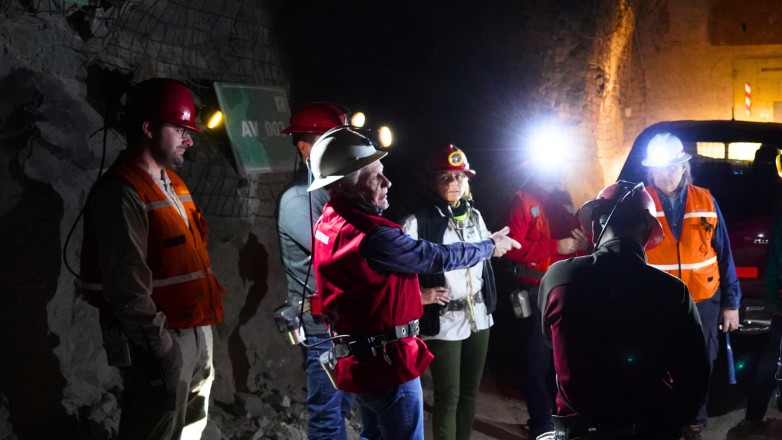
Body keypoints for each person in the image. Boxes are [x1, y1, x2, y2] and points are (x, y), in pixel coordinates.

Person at [308, 127, 520, 440]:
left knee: (375, 433)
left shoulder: (330, 220)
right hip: (388, 362)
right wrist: (488, 246)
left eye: (460, 176)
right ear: (345, 183)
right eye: (374, 175)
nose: (387, 182)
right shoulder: (374, 235)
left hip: (366, 357)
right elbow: (434, 257)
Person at [79, 78, 224, 439]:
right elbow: (126, 287)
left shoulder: (174, 183)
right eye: (180, 130)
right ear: (148, 129)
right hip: (161, 341)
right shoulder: (121, 192)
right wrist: (164, 350)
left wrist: (200, 338)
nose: (189, 140)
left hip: (194, 330)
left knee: (190, 427)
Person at [537, 180, 711, 440]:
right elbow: (696, 374)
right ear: (646, 232)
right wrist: (670, 425)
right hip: (648, 429)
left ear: (595, 226)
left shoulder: (559, 277)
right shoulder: (672, 291)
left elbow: (549, 343)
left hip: (577, 431)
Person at [641, 132, 741, 438]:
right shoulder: (638, 202)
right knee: (659, 364)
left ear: (684, 167)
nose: (666, 174)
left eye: (672, 167)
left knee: (701, 364)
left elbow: (724, 253)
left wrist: (731, 303)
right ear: (650, 169)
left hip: (703, 301)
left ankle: (694, 421)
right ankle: (664, 418)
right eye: (659, 168)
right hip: (658, 303)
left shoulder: (706, 200)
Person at [400, 144, 497, 440]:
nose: (455, 184)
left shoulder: (475, 216)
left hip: (478, 315)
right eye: (446, 178)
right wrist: (420, 296)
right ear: (432, 182)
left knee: (470, 392)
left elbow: (482, 260)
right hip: (443, 321)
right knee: (448, 395)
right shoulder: (417, 222)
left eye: (460, 178)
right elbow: (397, 273)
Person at [277, 102, 353, 439]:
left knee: (344, 410)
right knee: (327, 416)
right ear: (305, 148)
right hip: (322, 331)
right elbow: (341, 254)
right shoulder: (298, 201)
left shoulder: (332, 194)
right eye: (328, 139)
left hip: (346, 326)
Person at [502, 167, 590, 438]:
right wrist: (557, 246)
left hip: (568, 289)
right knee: (537, 362)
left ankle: (567, 418)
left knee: (567, 360)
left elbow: (585, 240)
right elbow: (512, 247)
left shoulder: (572, 198)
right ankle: (541, 424)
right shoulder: (523, 201)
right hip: (535, 290)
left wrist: (583, 243)